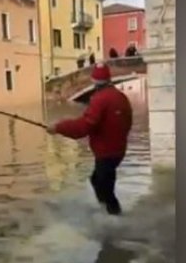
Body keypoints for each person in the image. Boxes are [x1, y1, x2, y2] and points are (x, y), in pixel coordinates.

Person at [47, 63, 132, 215]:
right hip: (118, 150)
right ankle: (107, 214)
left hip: (105, 153)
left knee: (104, 188)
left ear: (94, 81)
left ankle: (114, 220)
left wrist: (58, 127)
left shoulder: (99, 99)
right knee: (98, 181)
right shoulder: (121, 97)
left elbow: (84, 126)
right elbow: (128, 122)